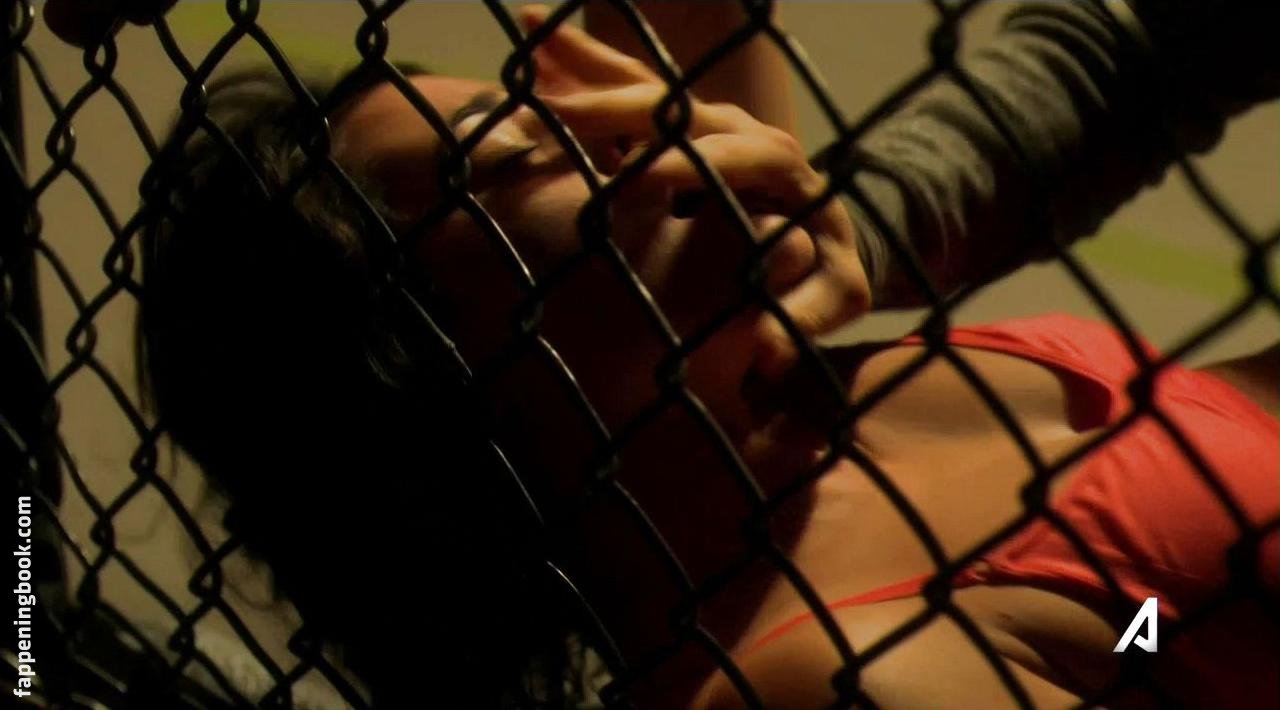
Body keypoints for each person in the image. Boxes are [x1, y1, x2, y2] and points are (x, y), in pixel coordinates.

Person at [132, 1, 1278, 708]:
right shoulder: (821, 672)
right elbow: (1157, 618)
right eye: (518, 147)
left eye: (565, 101)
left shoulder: (801, 406)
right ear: (423, 367)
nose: (639, 122)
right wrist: (1149, 620)